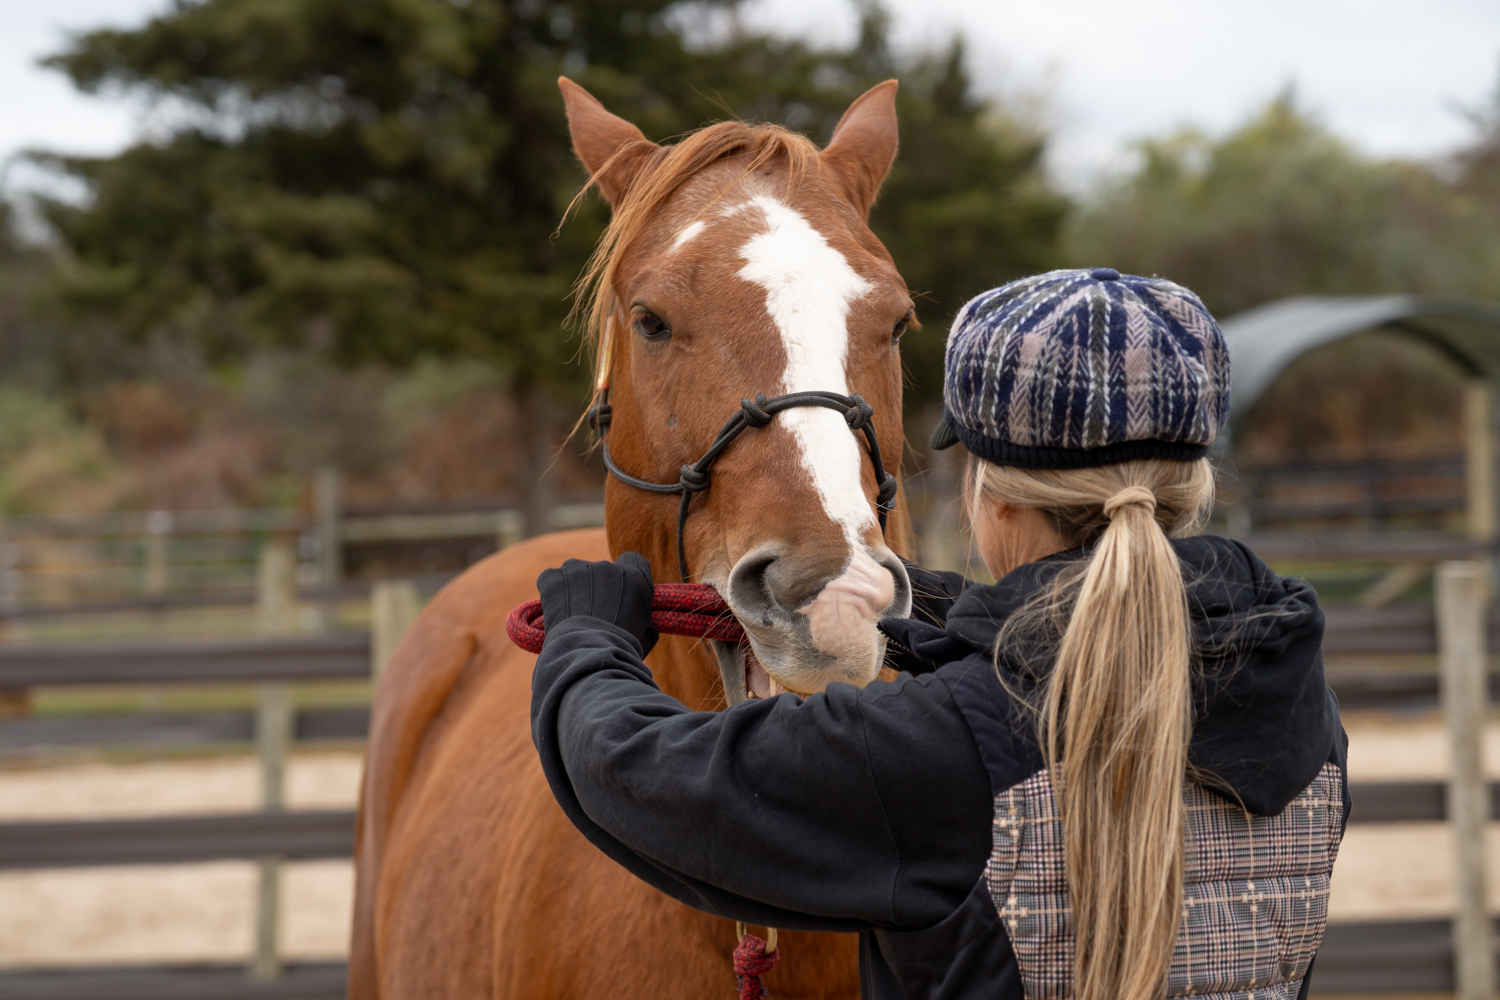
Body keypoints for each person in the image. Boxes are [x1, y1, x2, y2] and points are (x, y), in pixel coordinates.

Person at [530, 267, 1348, 1000]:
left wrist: (586, 638)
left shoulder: (943, 754)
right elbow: (1075, 653)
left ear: (995, 498)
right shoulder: (1297, 700)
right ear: (1192, 481)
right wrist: (913, 605)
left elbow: (640, 773)